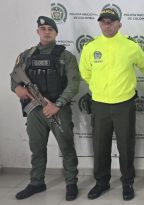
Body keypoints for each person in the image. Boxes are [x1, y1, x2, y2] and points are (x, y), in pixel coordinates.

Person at [79, 8, 144, 201]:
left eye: (111, 21)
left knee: (126, 145)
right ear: (100, 24)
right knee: (100, 146)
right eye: (103, 22)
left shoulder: (131, 46)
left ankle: (127, 183)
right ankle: (102, 182)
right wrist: (98, 87)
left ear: (119, 24)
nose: (107, 25)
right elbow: (85, 72)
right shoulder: (90, 47)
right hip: (99, 104)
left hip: (124, 104)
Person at [11, 16, 80, 201]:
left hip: (59, 109)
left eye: (50, 29)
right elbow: (14, 78)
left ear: (56, 33)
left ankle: (71, 182)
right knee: (37, 148)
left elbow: (73, 84)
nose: (47, 32)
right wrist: (18, 88)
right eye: (43, 29)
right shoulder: (26, 55)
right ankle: (36, 182)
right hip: (34, 110)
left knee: (66, 147)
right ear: (38, 32)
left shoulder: (66, 57)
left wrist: (57, 105)